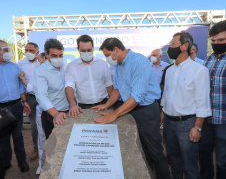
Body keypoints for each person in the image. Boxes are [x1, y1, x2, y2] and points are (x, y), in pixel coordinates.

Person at [92, 37, 171, 179]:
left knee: (154, 152)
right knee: (140, 152)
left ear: (116, 50)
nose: (107, 59)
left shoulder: (138, 62)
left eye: (107, 55)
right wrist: (107, 105)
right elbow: (117, 89)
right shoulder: (119, 65)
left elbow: (137, 96)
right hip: (129, 109)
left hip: (145, 111)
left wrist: (114, 114)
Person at [161, 31, 211, 179]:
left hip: (188, 125)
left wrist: (197, 127)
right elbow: (166, 95)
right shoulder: (169, 70)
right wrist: (162, 115)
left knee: (190, 167)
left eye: (173, 44)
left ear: (185, 46)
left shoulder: (199, 70)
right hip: (169, 124)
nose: (170, 47)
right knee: (174, 164)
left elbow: (203, 101)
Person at [199, 20, 226, 179]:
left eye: (221, 40)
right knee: (204, 155)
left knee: (223, 161)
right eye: (213, 41)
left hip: (224, 121)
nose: (217, 44)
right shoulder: (208, 60)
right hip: (207, 119)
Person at [0, 40, 30, 172]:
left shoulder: (14, 67)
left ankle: (22, 162)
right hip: (1, 108)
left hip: (16, 105)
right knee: (3, 137)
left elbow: (20, 86)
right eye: (6, 50)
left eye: (8, 49)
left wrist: (24, 102)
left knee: (18, 135)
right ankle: (6, 162)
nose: (8, 52)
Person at [65, 35, 113, 117]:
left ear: (93, 48)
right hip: (83, 107)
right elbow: (69, 86)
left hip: (103, 104)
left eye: (89, 50)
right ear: (78, 49)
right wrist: (73, 105)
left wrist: (111, 104)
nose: (86, 53)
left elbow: (109, 84)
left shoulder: (102, 64)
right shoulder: (72, 66)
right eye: (83, 50)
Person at [33, 39, 69, 139]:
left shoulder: (66, 67)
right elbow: (41, 96)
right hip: (51, 116)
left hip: (68, 113)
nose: (58, 58)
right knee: (53, 148)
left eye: (60, 55)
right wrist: (56, 114)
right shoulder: (40, 71)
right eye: (54, 56)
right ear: (47, 55)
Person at [18, 42, 39, 160]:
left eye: (31, 50)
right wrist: (24, 100)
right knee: (34, 125)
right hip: (30, 98)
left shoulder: (43, 62)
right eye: (26, 50)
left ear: (37, 51)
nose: (28, 53)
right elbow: (20, 84)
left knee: (48, 122)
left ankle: (49, 147)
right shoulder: (20, 64)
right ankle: (36, 148)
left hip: (45, 97)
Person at [34, 52, 47, 175]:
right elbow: (33, 89)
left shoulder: (63, 68)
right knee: (42, 137)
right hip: (42, 109)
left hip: (61, 109)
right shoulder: (38, 70)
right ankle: (41, 165)